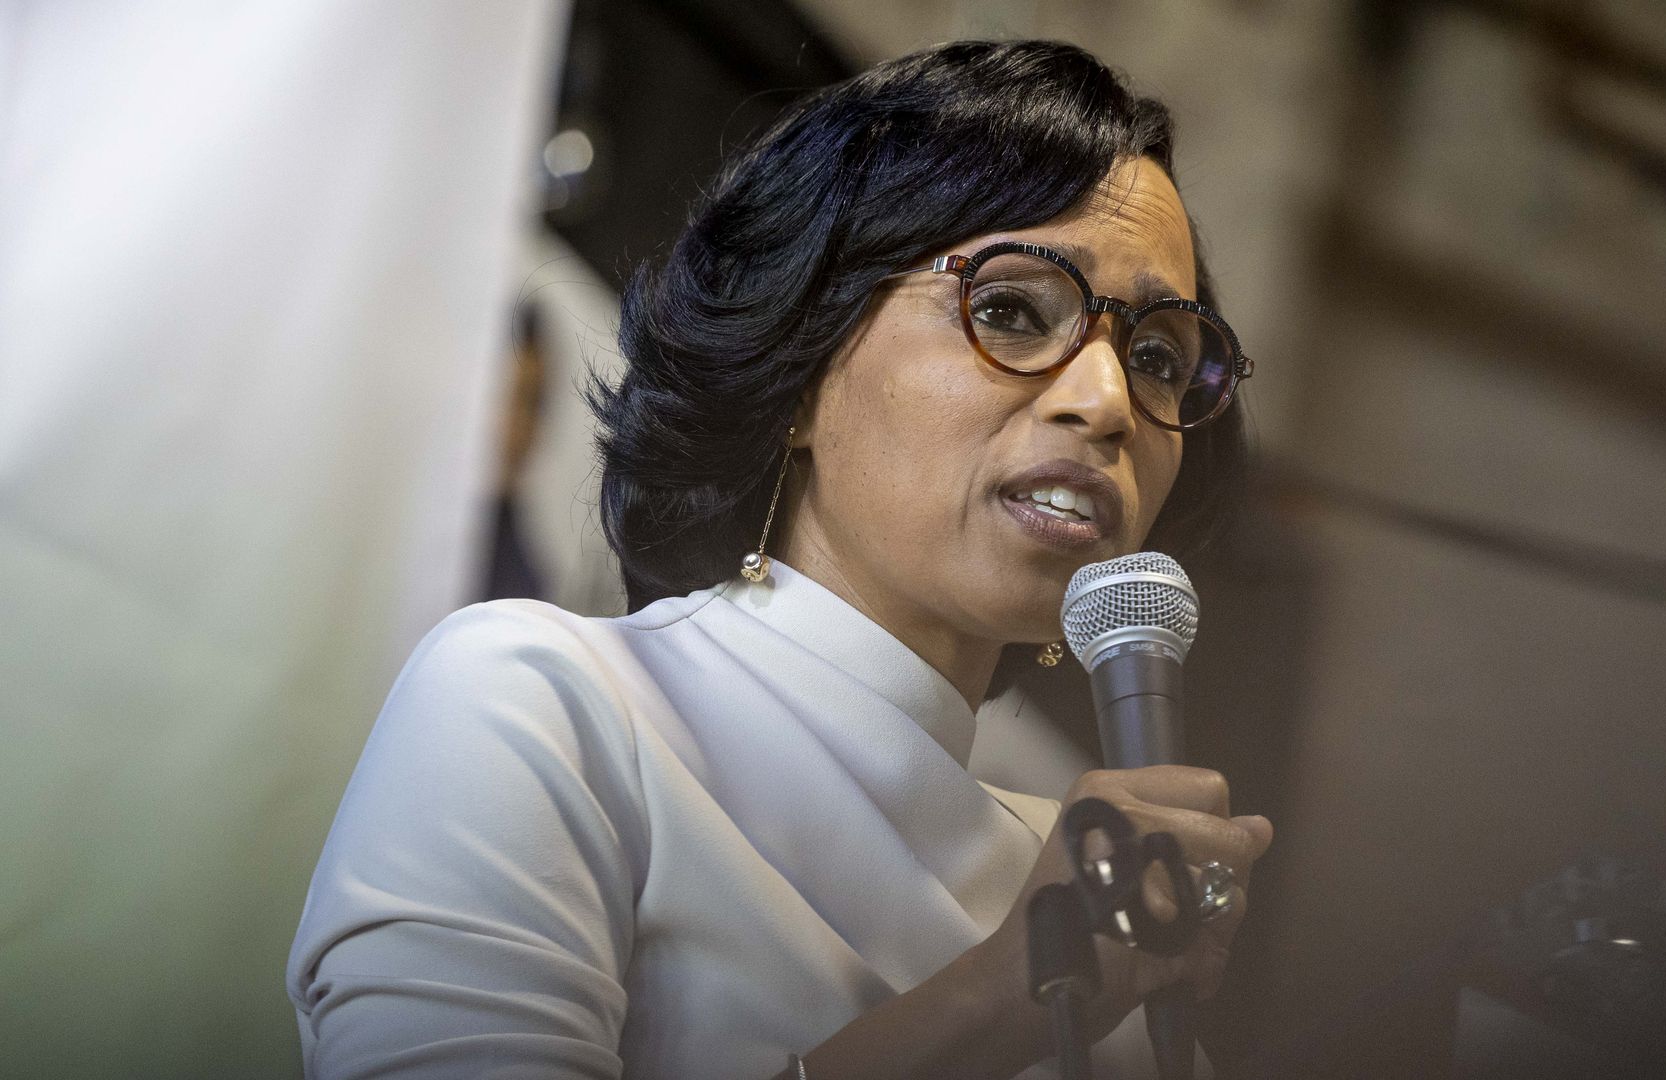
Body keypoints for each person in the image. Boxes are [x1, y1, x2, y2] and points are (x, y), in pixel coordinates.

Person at [287, 39, 1271, 1080]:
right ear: (799, 361)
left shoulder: (1089, 883)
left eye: (1157, 356)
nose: (1109, 402)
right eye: (1011, 310)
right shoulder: (551, 708)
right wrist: (999, 998)